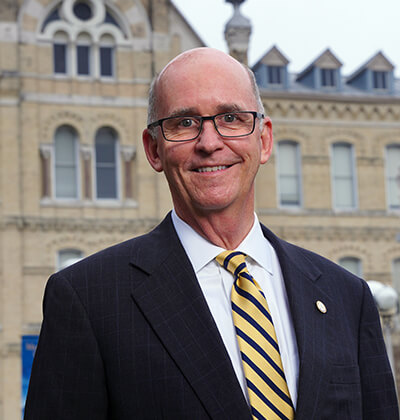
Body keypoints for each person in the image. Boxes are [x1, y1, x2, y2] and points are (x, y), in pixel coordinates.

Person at [24, 48, 398, 420]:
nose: (209, 142)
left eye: (231, 118)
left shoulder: (347, 297)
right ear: (154, 149)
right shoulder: (89, 301)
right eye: (184, 123)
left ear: (264, 141)